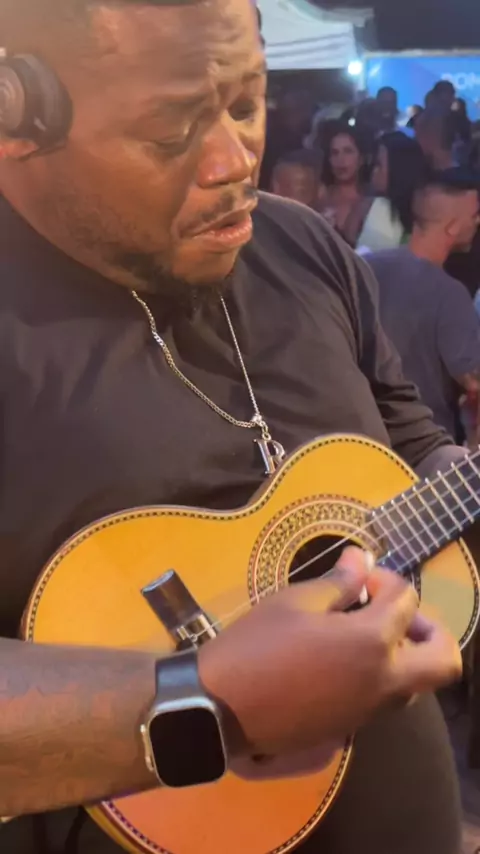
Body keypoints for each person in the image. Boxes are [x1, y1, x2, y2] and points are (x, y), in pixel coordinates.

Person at [0, 0, 467, 852]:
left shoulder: (304, 247)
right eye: (170, 131)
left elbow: (413, 442)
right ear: (17, 119)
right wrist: (208, 698)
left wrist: (458, 493)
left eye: (248, 103)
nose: (234, 163)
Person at [367, 169, 480, 443]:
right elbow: (473, 379)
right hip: (425, 445)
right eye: (475, 215)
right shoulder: (449, 293)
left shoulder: (365, 268)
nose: (478, 222)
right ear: (453, 227)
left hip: (362, 436)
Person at [358, 131, 428, 252]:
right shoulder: (366, 206)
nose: (374, 171)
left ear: (398, 170)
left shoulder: (425, 216)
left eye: (379, 165)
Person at [318, 124, 372, 246]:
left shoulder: (371, 202)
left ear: (361, 158)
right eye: (335, 153)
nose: (340, 160)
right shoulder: (319, 195)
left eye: (348, 151)